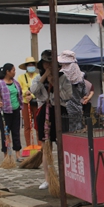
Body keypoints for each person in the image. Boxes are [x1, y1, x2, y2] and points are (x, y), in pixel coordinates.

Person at [30, 50, 72, 190]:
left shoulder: (64, 78)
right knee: (46, 146)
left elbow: (67, 96)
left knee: (63, 144)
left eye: (51, 62)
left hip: (60, 112)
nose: (48, 65)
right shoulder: (38, 78)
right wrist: (44, 79)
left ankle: (65, 176)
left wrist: (55, 82)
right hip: (45, 112)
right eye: (46, 63)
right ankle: (48, 179)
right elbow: (34, 91)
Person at [0, 63, 24, 164]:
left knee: (16, 132)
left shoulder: (15, 83)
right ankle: (6, 155)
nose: (14, 72)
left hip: (15, 111)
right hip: (5, 113)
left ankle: (18, 154)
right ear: (7, 72)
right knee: (5, 134)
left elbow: (20, 94)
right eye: (13, 70)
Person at [57, 50, 87, 132]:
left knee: (66, 135)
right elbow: (84, 93)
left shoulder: (61, 78)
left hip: (64, 111)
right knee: (77, 136)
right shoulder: (81, 77)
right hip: (77, 110)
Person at [16, 56, 40, 148]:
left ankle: (39, 145)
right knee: (27, 125)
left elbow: (39, 89)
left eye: (32, 65)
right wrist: (25, 93)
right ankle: (28, 145)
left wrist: (32, 95)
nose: (31, 66)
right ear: (26, 67)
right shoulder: (21, 77)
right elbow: (19, 89)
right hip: (26, 103)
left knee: (38, 124)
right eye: (29, 65)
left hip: (36, 102)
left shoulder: (38, 77)